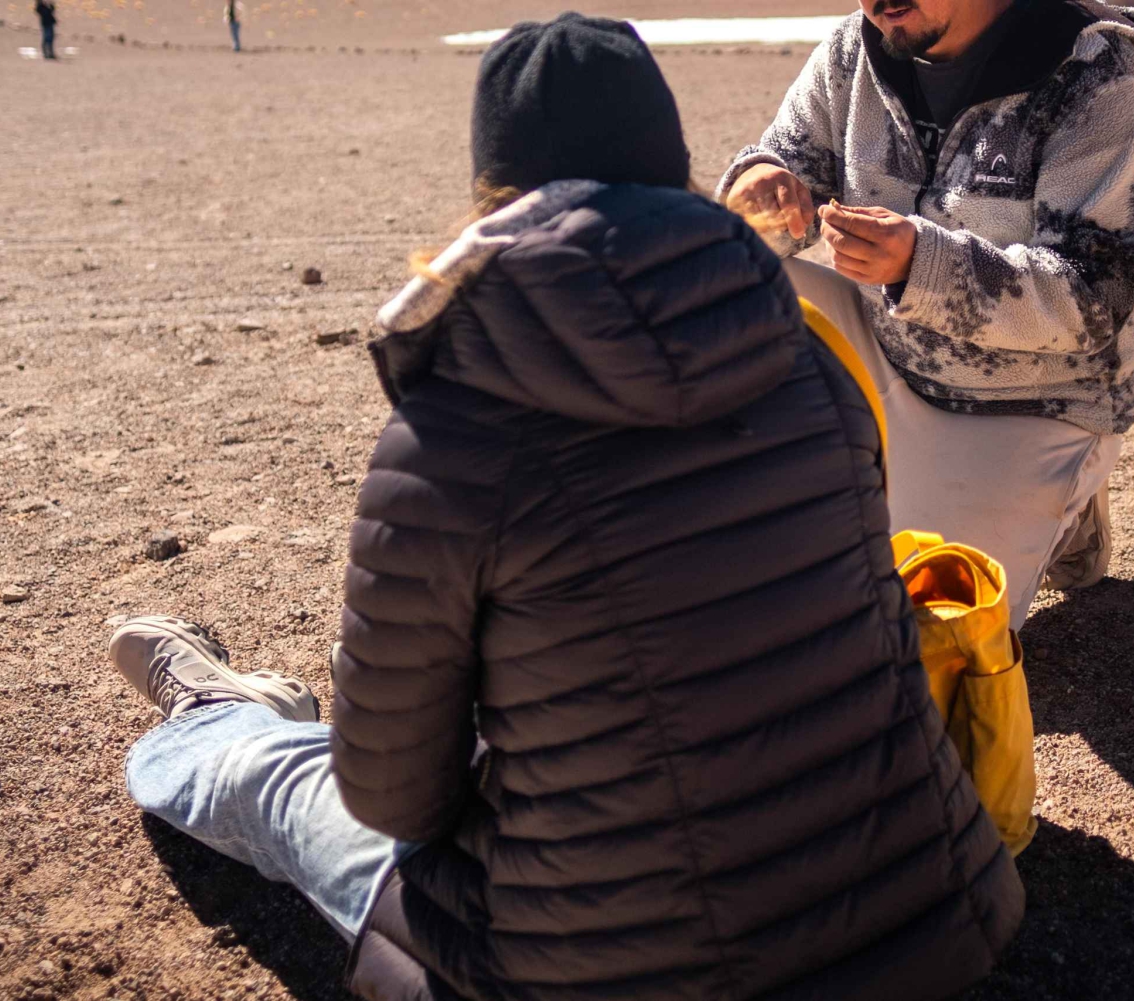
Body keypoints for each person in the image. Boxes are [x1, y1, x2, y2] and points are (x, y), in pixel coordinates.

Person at [109, 14, 1024, 1001]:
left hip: (619, 973)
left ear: (495, 194)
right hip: (927, 924)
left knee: (289, 786)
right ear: (673, 169)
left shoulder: (454, 437)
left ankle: (212, 717)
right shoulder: (811, 362)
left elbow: (394, 796)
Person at [720, 0, 1134, 631]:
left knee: (928, 637)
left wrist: (919, 264)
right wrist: (762, 188)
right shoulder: (855, 49)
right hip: (889, 351)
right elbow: (789, 161)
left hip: (1033, 399)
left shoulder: (1096, 79)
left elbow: (1094, 299)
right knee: (735, 285)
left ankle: (1067, 492)